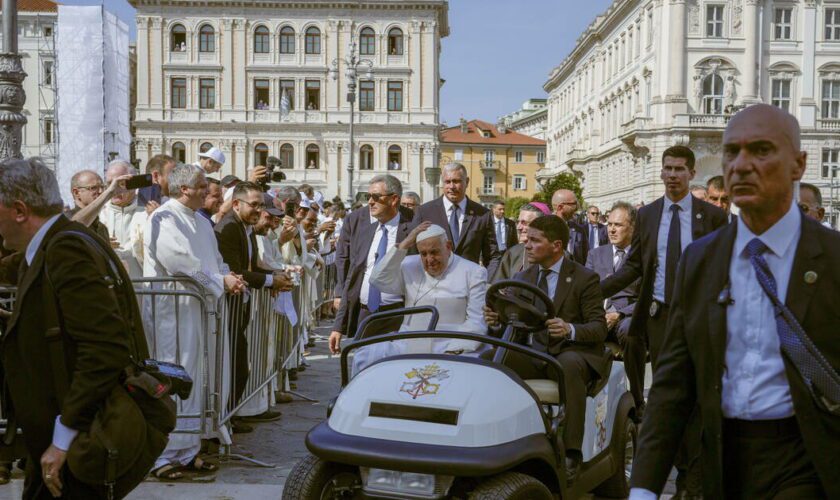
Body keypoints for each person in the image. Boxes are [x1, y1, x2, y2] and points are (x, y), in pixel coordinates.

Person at [630, 104, 840, 499]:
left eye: (761, 151)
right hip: (720, 459)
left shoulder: (832, 259)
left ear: (798, 164)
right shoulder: (702, 259)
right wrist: (643, 489)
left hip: (806, 458)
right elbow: (674, 385)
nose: (741, 165)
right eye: (732, 152)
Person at [0, 158, 153, 497]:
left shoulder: (65, 248)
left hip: (73, 443)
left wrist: (62, 438)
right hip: (56, 440)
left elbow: (104, 348)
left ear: (20, 210)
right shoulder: (52, 242)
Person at [601, 145, 727, 496]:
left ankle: (691, 476)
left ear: (690, 174)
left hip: (699, 318)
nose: (672, 175)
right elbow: (635, 265)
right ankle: (668, 470)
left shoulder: (711, 217)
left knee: (698, 396)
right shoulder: (649, 214)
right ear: (661, 173)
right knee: (666, 394)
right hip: (659, 317)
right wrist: (594, 288)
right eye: (667, 169)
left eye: (679, 169)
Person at [483, 215, 607, 482]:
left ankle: (572, 452)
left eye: (535, 241)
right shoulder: (524, 276)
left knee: (568, 364)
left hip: (571, 353)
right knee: (494, 360)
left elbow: (599, 327)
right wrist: (495, 321)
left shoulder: (585, 278)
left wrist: (569, 328)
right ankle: (497, 438)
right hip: (536, 353)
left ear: (557, 245)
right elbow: (511, 322)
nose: (526, 245)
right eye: (526, 239)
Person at [143, 164, 246, 479]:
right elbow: (179, 262)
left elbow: (214, 259)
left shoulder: (201, 222)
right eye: (202, 186)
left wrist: (228, 275)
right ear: (184, 189)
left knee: (199, 376)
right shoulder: (162, 218)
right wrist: (220, 280)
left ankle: (187, 450)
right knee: (175, 376)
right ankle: (161, 455)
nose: (208, 192)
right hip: (173, 313)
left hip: (201, 309)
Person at [352, 223, 488, 372]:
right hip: (409, 341)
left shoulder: (473, 272)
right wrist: (404, 245)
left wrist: (454, 350)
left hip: (449, 343)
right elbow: (377, 280)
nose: (429, 259)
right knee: (364, 355)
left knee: (474, 369)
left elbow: (476, 321)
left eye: (434, 252)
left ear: (448, 246)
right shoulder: (410, 264)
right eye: (423, 254)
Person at [215, 182, 292, 429]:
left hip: (242, 304)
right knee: (235, 366)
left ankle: (230, 416)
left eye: (261, 205)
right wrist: (270, 281)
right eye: (255, 205)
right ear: (236, 203)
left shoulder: (245, 227)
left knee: (239, 366)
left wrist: (275, 276)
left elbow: (251, 266)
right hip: (229, 305)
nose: (259, 210)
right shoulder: (228, 228)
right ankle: (226, 418)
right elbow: (236, 271)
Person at [330, 175, 414, 354]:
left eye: (376, 197)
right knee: (363, 366)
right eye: (368, 196)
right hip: (365, 313)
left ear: (394, 200)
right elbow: (350, 272)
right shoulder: (359, 224)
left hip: (398, 315)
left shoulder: (413, 226)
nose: (370, 202)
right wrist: (338, 326)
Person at [585, 201, 644, 412]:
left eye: (618, 225)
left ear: (633, 227)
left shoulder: (642, 257)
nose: (611, 229)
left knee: (631, 333)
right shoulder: (595, 254)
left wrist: (619, 314)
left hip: (625, 317)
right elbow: (587, 291)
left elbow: (645, 298)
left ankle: (638, 400)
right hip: (597, 316)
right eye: (609, 223)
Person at [411, 163, 501, 274]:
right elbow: (413, 252)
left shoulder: (482, 214)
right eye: (447, 182)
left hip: (470, 285)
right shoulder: (425, 212)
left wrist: (487, 284)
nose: (452, 187)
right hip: (433, 285)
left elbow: (492, 256)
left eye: (456, 181)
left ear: (467, 182)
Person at [99, 160, 148, 278]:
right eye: (110, 183)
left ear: (133, 184)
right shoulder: (99, 213)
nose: (114, 189)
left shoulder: (147, 211)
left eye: (120, 183)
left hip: (142, 285)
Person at [491, 203, 546, 282]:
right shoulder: (513, 253)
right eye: (518, 222)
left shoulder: (557, 254)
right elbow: (497, 287)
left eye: (524, 223)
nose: (518, 227)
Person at [66, 169, 114, 242]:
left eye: (102, 187)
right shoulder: (66, 220)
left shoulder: (102, 228)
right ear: (76, 193)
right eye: (94, 188)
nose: (101, 191)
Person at [551, 189, 589, 263]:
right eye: (573, 204)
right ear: (560, 207)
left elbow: (585, 258)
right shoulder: (543, 228)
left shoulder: (579, 230)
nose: (576, 208)